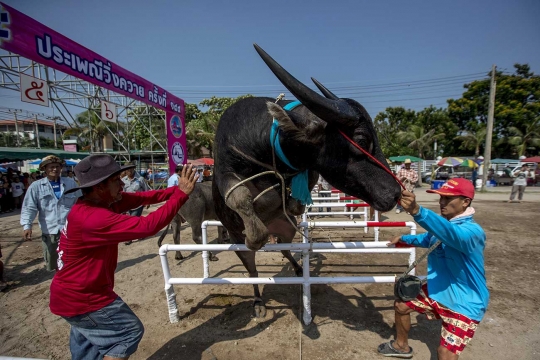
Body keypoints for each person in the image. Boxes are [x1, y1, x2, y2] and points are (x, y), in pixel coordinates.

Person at [49, 154, 197, 360]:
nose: (122, 183)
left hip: (73, 296)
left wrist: (182, 189)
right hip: (84, 299)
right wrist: (181, 195)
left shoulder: (103, 203)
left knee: (91, 348)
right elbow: (147, 226)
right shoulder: (92, 218)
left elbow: (147, 197)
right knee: (128, 332)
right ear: (99, 187)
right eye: (116, 180)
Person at [378, 178, 489, 359]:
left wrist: (417, 211)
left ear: (465, 202)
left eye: (448, 198)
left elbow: (451, 234)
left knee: (444, 353)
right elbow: (428, 238)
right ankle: (400, 346)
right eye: (441, 198)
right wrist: (404, 239)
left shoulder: (472, 232)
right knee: (402, 305)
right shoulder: (447, 226)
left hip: (465, 302)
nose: (442, 203)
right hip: (439, 289)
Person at [20, 155, 81, 271]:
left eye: (57, 166)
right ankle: (60, 279)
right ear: (44, 169)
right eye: (51, 167)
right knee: (53, 262)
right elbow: (29, 207)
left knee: (72, 260)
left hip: (69, 230)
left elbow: (81, 204)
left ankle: (68, 282)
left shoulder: (70, 184)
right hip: (50, 231)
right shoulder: (36, 187)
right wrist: (27, 226)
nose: (55, 169)